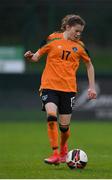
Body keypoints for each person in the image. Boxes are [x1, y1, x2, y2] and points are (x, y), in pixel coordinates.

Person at [24, 14, 97, 165]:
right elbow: (37, 57)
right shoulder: (52, 39)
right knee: (51, 116)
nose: (78, 34)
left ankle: (64, 149)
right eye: (76, 31)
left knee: (64, 127)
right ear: (68, 27)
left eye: (80, 32)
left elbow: (89, 65)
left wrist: (91, 87)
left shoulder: (81, 47)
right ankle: (55, 153)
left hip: (68, 89)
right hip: (49, 85)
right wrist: (30, 56)